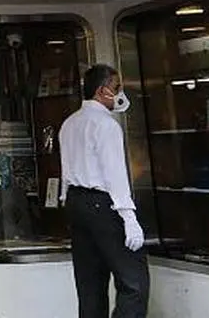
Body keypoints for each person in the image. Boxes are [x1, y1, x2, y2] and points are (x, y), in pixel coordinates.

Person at [59, 64, 149, 318]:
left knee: (90, 285)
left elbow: (66, 170)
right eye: (116, 87)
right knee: (134, 282)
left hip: (76, 203)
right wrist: (128, 216)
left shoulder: (69, 123)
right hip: (103, 203)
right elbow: (114, 173)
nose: (119, 93)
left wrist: (66, 200)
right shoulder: (106, 125)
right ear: (101, 91)